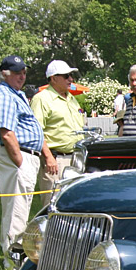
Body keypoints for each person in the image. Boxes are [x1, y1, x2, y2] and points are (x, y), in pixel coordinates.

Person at [0, 54, 55, 268]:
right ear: (5, 74)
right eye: (17, 73)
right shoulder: (5, 95)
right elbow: (7, 133)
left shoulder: (15, 94)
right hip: (17, 156)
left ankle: (15, 255)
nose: (22, 76)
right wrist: (20, 163)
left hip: (24, 155)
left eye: (24, 72)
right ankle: (12, 260)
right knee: (16, 209)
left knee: (20, 207)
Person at [30, 60, 85, 206]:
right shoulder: (41, 99)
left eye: (71, 75)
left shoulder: (72, 98)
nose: (71, 79)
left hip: (77, 159)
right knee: (54, 205)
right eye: (66, 76)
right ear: (53, 78)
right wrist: (49, 158)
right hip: (56, 160)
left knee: (75, 204)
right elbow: (36, 132)